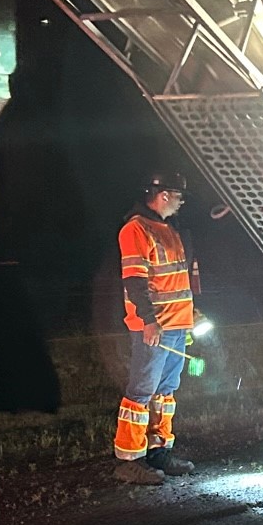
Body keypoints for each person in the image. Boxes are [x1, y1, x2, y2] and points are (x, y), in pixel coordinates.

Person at [114, 171, 200, 485]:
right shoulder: (136, 229)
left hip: (176, 326)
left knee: (165, 392)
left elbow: (179, 279)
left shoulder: (169, 230)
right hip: (155, 327)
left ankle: (159, 451)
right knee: (141, 392)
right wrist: (149, 321)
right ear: (163, 195)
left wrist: (193, 313)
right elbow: (135, 281)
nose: (181, 202)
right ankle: (129, 460)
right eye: (179, 195)